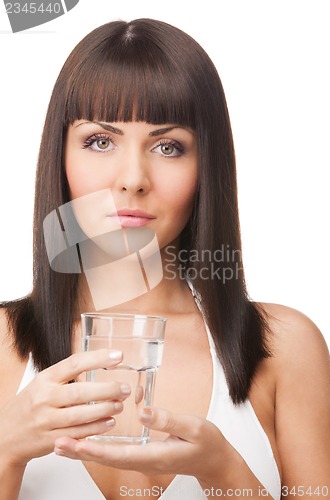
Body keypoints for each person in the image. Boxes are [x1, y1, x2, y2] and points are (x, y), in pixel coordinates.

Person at [0, 18, 329, 500]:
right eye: (100, 140)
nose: (132, 178)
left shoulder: (284, 349)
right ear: (61, 157)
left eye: (168, 146)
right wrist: (5, 452)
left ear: (206, 167)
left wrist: (225, 474)